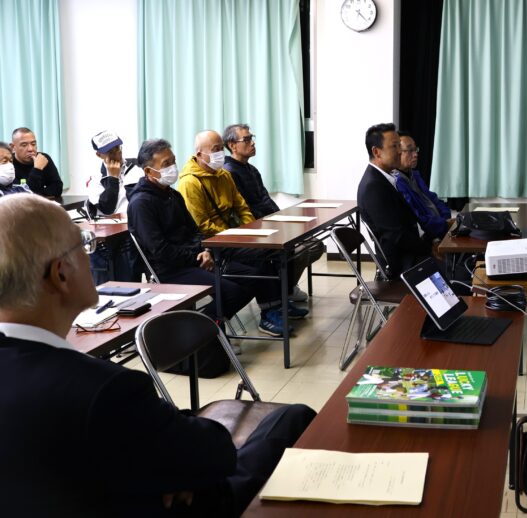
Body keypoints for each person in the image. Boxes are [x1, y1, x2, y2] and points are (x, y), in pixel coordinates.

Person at [0, 194, 315, 516]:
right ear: (61, 274)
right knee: (294, 417)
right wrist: (172, 462)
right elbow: (215, 455)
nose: (88, 254)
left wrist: (162, 451)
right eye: (83, 244)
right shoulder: (105, 389)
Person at [127, 139, 287, 335]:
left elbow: (194, 231)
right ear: (148, 171)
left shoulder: (172, 195)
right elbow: (160, 250)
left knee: (253, 277)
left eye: (173, 161)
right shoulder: (141, 203)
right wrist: (196, 257)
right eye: (166, 164)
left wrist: (205, 250)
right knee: (231, 292)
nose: (173, 167)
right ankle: (202, 333)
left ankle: (208, 329)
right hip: (170, 270)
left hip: (195, 259)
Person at [177, 130, 306, 333]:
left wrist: (249, 230)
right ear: (200, 154)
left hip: (235, 235)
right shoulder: (190, 183)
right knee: (261, 255)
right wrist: (235, 235)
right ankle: (269, 312)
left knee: (273, 248)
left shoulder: (223, 175)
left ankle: (280, 303)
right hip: (214, 243)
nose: (220, 153)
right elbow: (201, 225)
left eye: (221, 148)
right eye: (215, 149)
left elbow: (242, 207)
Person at [222, 123, 326, 290]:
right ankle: (282, 290)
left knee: (314, 245)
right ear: (232, 145)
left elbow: (265, 199)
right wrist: (272, 223)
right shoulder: (229, 173)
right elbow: (244, 210)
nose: (252, 143)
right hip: (255, 231)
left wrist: (282, 220)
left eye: (252, 138)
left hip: (269, 225)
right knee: (303, 248)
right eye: (246, 140)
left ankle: (285, 287)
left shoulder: (251, 169)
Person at [357, 123, 434, 277]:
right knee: (461, 274)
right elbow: (397, 236)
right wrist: (431, 249)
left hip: (413, 253)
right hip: (405, 265)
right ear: (377, 152)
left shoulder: (385, 178)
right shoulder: (373, 186)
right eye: (394, 146)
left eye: (399, 145)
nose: (400, 151)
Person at [85, 130, 145, 284]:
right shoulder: (95, 178)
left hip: (134, 231)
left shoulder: (136, 169)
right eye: (110, 152)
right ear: (99, 155)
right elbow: (107, 209)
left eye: (117, 149)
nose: (116, 154)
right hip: (110, 236)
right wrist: (113, 178)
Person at [394, 131, 452, 240]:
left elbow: (433, 199)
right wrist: (444, 224)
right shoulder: (397, 183)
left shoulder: (414, 175)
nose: (415, 154)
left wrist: (446, 219)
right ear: (397, 152)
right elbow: (418, 218)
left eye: (415, 149)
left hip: (441, 228)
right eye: (410, 150)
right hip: (428, 236)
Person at [10, 127, 63, 196]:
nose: (31, 149)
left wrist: (37, 193)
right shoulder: (8, 164)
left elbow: (57, 188)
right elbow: (25, 195)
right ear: (13, 147)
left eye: (33, 144)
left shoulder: (43, 159)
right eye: (24, 145)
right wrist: (37, 169)